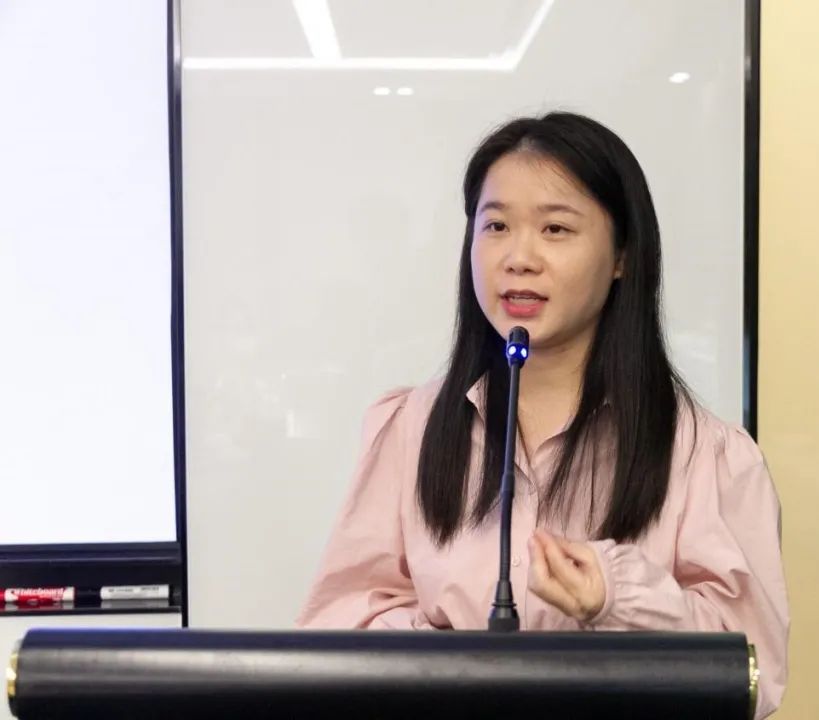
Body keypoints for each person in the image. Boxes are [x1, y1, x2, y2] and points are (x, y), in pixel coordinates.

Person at [296, 111, 789, 717]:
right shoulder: (410, 430)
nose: (518, 257)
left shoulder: (707, 455)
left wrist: (619, 598)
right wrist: (465, 666)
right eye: (496, 225)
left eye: (555, 229)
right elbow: (338, 627)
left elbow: (752, 675)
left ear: (622, 256)